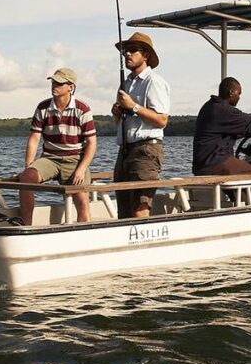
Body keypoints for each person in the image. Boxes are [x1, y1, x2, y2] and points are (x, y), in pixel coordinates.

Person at [15, 68, 97, 225]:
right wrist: (28, 166)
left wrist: (80, 169)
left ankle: (84, 232)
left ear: (70, 87)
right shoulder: (43, 107)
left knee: (81, 198)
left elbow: (92, 143)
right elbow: (34, 139)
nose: (54, 85)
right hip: (50, 159)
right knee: (26, 179)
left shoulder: (82, 109)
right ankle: (26, 227)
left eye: (59, 83)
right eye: (53, 82)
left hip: (74, 159)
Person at [192, 76, 251, 204]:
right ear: (231, 92)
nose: (239, 97)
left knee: (240, 193)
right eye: (239, 93)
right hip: (215, 162)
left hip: (201, 165)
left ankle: (240, 213)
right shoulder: (224, 110)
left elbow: (224, 134)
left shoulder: (209, 107)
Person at [111, 32, 170, 218]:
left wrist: (133, 106)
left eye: (132, 50)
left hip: (146, 150)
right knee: (124, 208)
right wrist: (117, 113)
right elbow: (118, 123)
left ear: (145, 55)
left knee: (140, 206)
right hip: (125, 151)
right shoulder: (125, 84)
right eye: (125, 51)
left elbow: (162, 120)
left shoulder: (154, 82)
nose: (127, 54)